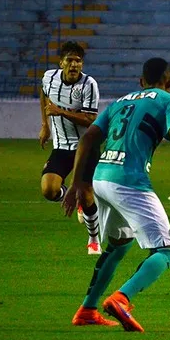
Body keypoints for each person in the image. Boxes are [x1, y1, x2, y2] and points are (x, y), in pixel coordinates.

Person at [63, 57, 170, 331]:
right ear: (168, 81)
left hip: (100, 178)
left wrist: (76, 183)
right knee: (167, 251)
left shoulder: (119, 102)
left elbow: (87, 138)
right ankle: (122, 298)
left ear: (140, 82)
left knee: (120, 244)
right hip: (129, 181)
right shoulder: (168, 100)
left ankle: (87, 310)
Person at [38, 41, 102, 255]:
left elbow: (91, 119)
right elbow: (44, 95)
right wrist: (45, 125)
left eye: (78, 61)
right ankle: (73, 198)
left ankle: (93, 239)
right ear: (61, 63)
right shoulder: (49, 78)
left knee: (86, 193)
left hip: (86, 147)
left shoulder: (88, 84)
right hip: (62, 146)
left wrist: (61, 112)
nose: (74, 65)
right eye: (70, 60)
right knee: (49, 189)